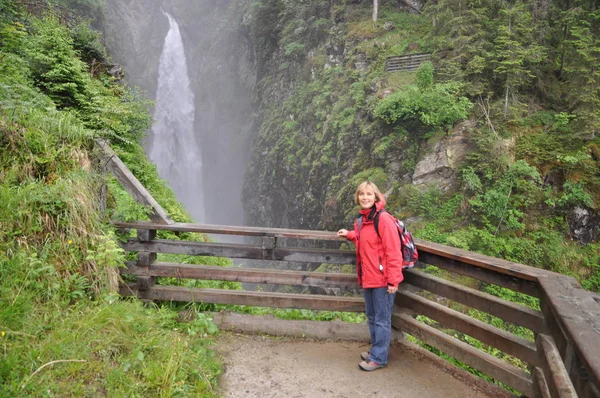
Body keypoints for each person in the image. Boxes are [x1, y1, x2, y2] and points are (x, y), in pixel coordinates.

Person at [337, 181, 404, 371]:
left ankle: (379, 358)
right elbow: (365, 238)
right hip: (368, 277)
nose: (365, 197)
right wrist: (349, 234)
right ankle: (376, 350)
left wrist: (393, 280)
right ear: (358, 197)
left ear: (376, 197)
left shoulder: (383, 219)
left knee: (382, 319)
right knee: (373, 317)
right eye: (361, 194)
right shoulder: (363, 220)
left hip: (383, 280)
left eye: (369, 194)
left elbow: (393, 251)